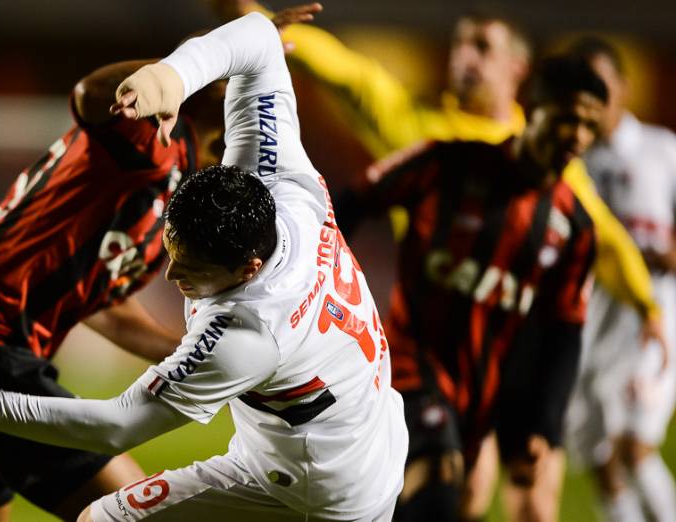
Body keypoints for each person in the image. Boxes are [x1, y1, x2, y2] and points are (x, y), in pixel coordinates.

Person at [0, 12, 408, 522]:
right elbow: (255, 41)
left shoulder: (244, 325)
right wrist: (173, 73)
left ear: (246, 268)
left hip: (315, 483)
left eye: (190, 272)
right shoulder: (276, 182)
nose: (172, 279)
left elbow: (119, 422)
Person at [209, 4, 665, 519]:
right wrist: (262, 32)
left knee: (491, 497)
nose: (466, 58)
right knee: (438, 480)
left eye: (483, 46)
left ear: (519, 73)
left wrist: (648, 310)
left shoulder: (569, 208)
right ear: (536, 107)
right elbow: (351, 95)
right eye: (461, 44)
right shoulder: (438, 146)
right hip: (417, 351)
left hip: (497, 363)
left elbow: (593, 274)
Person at [0, 55, 229, 521]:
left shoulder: (175, 187)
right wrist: (191, 58)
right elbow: (90, 96)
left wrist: (208, 358)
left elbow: (106, 308)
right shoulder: (158, 142)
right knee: (137, 514)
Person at [348, 54, 607, 521]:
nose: (578, 136)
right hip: (407, 365)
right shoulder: (450, 164)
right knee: (438, 483)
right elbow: (352, 201)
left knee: (456, 501)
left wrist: (542, 425)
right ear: (530, 104)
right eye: (567, 117)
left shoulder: (575, 227)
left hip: (483, 391)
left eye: (591, 125)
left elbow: (564, 332)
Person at [564, 36, 676, 522]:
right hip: (595, 324)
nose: (592, 96)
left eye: (600, 83)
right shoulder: (574, 164)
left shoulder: (662, 149)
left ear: (623, 88)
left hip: (656, 315)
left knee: (635, 445)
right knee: (600, 456)